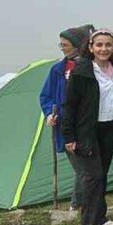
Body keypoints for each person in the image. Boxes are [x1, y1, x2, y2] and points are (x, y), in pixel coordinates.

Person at [60, 30, 113, 225]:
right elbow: (70, 105)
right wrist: (69, 136)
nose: (103, 49)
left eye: (108, 45)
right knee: (92, 177)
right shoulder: (82, 71)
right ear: (90, 48)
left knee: (102, 175)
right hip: (86, 131)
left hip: (108, 129)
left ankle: (100, 218)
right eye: (99, 45)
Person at [38, 24, 93, 209]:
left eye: (65, 44)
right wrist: (49, 114)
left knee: (85, 168)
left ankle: (77, 204)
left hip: (86, 124)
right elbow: (46, 96)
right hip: (65, 126)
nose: (62, 48)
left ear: (77, 45)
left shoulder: (90, 66)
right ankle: (77, 204)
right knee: (82, 168)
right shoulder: (57, 70)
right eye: (60, 44)